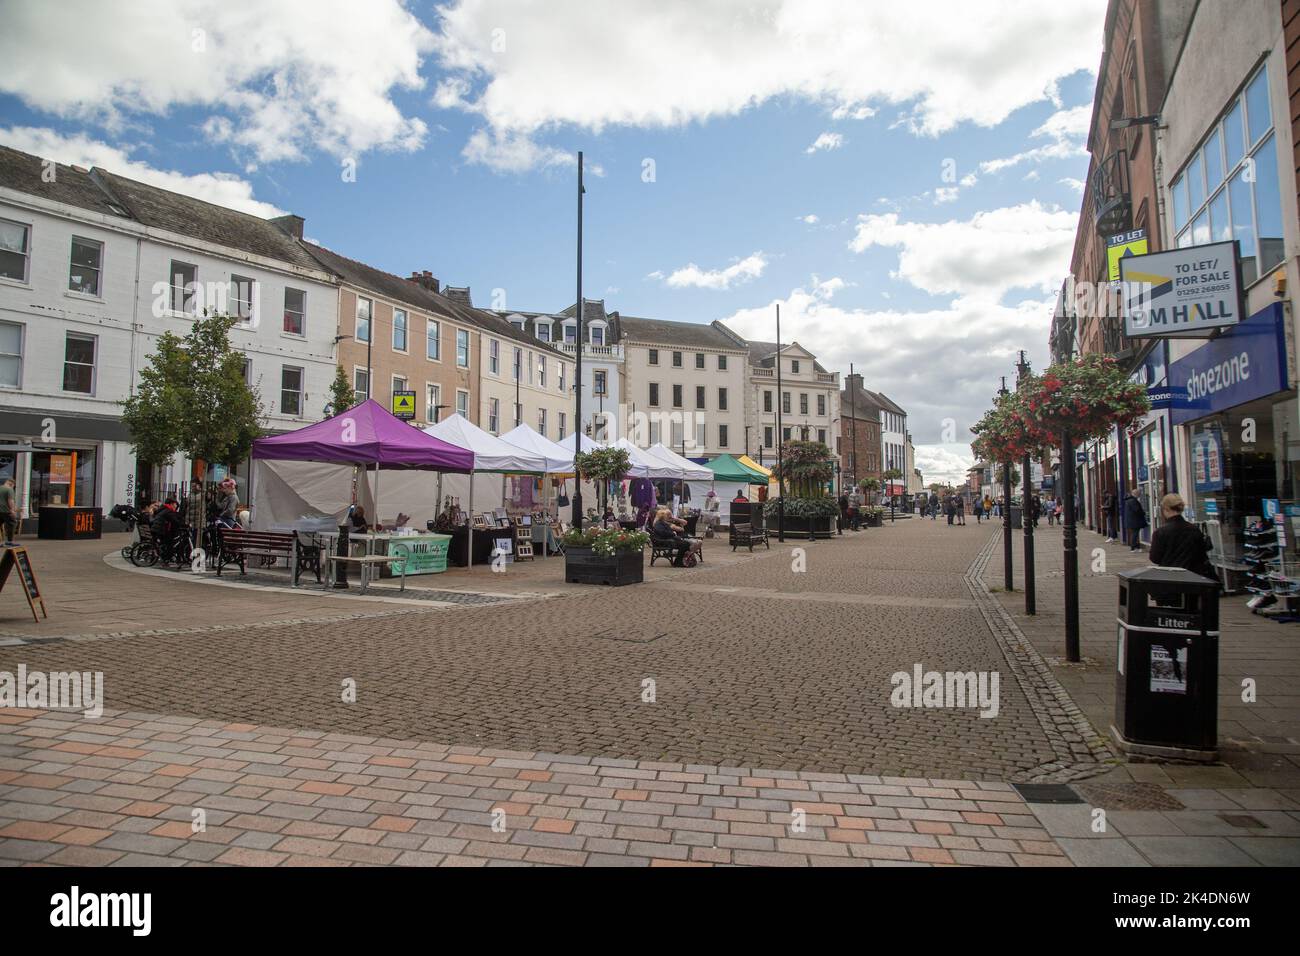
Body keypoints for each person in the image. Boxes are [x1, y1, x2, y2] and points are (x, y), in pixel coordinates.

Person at [1149, 494, 1215, 580]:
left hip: (1169, 576)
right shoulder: (1194, 529)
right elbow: (1201, 553)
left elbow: (1155, 558)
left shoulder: (1160, 532)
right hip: (1193, 575)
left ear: (1166, 509)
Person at [0, 476, 18, 544]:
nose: (13, 487)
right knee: (12, 524)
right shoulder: (9, 489)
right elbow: (10, 501)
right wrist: (12, 510)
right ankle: (9, 541)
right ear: (11, 484)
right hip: (6, 511)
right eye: (13, 486)